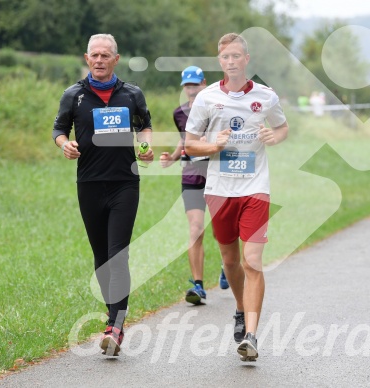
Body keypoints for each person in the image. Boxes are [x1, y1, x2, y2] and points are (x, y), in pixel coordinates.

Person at [184, 33, 288, 362]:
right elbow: (190, 144)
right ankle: (240, 310)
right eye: (225, 57)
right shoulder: (206, 98)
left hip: (256, 189)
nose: (231, 61)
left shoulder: (266, 97)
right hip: (219, 190)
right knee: (230, 261)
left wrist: (275, 135)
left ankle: (253, 337)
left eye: (236, 56)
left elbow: (283, 127)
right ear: (220, 61)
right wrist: (214, 145)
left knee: (252, 261)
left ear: (246, 59)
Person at [52, 34, 154, 356]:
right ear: (87, 58)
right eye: (94, 55)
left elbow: (145, 125)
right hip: (90, 185)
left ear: (115, 59)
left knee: (118, 253)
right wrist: (63, 144)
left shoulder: (132, 94)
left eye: (105, 55)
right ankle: (114, 321)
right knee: (101, 258)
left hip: (125, 183)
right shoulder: (73, 96)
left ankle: (115, 325)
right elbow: (58, 129)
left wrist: (145, 145)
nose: (99, 60)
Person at [159, 66, 229, 305]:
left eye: (195, 85)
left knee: (222, 230)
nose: (191, 90)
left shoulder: (218, 109)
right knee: (196, 229)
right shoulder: (179, 113)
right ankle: (198, 287)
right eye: (187, 86)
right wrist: (173, 157)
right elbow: (184, 141)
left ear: (204, 84)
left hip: (217, 174)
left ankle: (227, 266)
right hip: (191, 176)